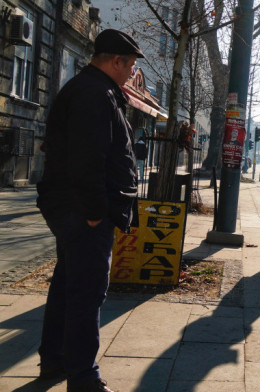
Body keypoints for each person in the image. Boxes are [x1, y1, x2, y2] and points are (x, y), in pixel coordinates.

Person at [35, 29, 144, 392]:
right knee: (86, 292)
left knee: (68, 285)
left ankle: (54, 360)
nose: (131, 73)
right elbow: (88, 158)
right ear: (115, 61)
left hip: (72, 205)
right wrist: (96, 211)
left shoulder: (93, 90)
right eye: (129, 65)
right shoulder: (94, 94)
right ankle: (83, 378)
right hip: (82, 210)